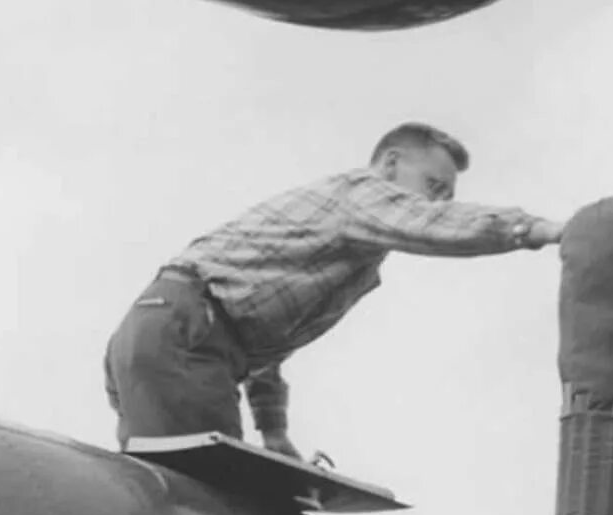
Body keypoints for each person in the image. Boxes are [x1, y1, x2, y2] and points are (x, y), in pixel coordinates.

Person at [104, 122, 563, 457]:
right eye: (433, 186)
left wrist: (273, 431)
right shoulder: (360, 194)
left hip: (172, 334)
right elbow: (432, 225)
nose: (437, 202)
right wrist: (537, 229)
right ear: (390, 164)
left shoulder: (343, 244)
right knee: (205, 500)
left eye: (447, 195)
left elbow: (252, 334)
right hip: (183, 335)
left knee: (167, 490)